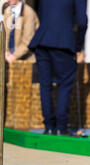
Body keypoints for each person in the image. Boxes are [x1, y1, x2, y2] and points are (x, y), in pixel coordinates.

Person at [29, 0, 87, 136]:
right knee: (65, 84)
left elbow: (43, 14)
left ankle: (49, 127)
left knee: (45, 85)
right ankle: (61, 127)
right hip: (63, 41)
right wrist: (78, 46)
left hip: (42, 40)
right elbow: (82, 22)